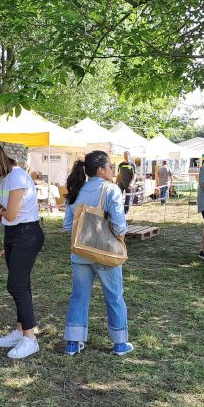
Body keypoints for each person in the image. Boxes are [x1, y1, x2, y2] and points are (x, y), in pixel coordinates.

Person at [0, 141, 44, 359]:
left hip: (27, 234)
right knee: (21, 284)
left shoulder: (17, 176)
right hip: (14, 233)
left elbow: (10, 214)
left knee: (16, 285)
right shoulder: (5, 177)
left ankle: (30, 339)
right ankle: (20, 330)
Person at [62, 150, 133, 356]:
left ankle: (73, 343)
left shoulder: (77, 189)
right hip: (105, 253)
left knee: (78, 296)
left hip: (80, 251)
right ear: (101, 170)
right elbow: (119, 225)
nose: (113, 170)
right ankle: (120, 343)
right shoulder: (111, 190)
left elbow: (68, 225)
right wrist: (118, 236)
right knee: (114, 296)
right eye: (110, 166)